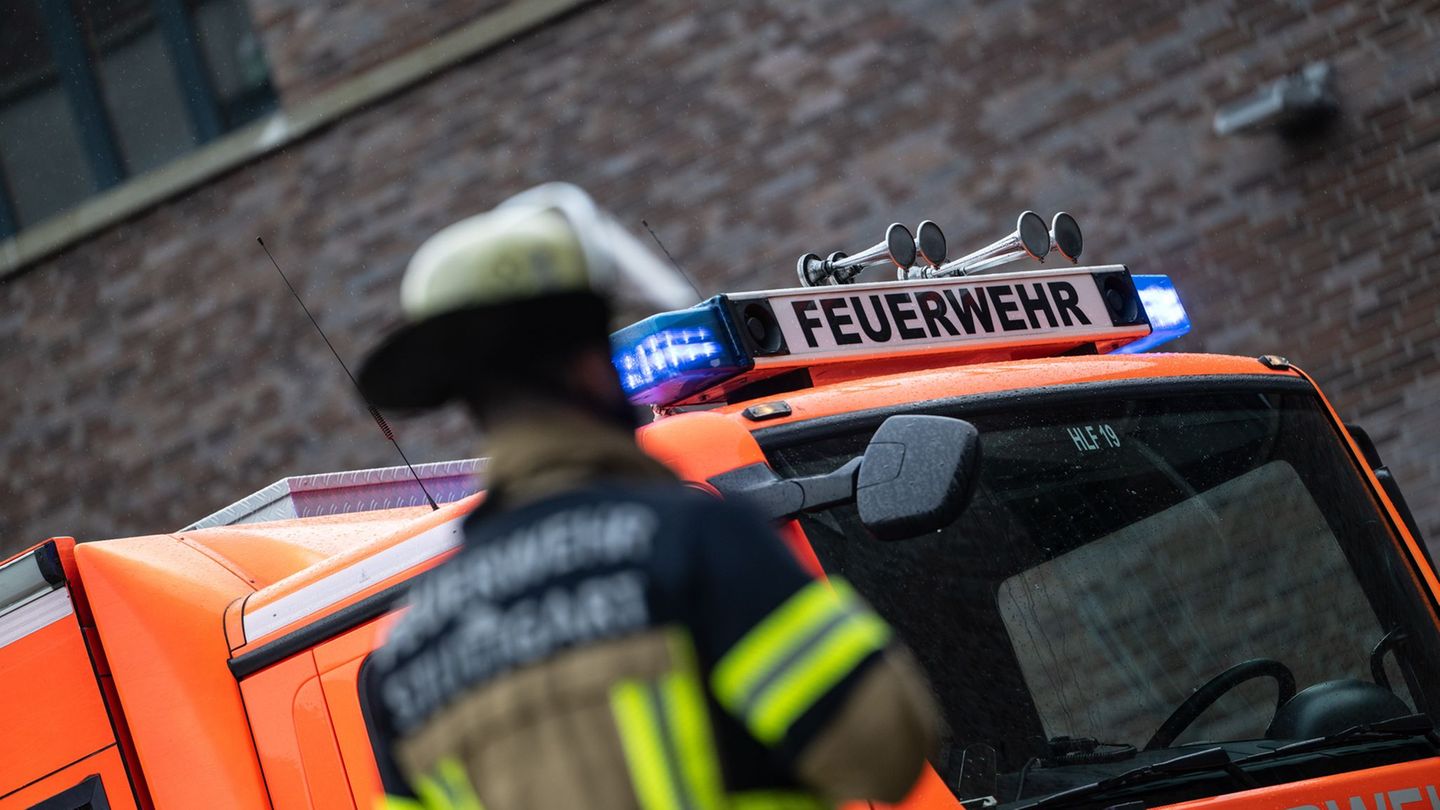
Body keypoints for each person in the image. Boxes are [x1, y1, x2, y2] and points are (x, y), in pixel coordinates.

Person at [356, 183, 939, 810]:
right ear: (588, 365)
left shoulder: (404, 663)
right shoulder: (693, 543)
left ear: (467, 398)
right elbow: (889, 749)